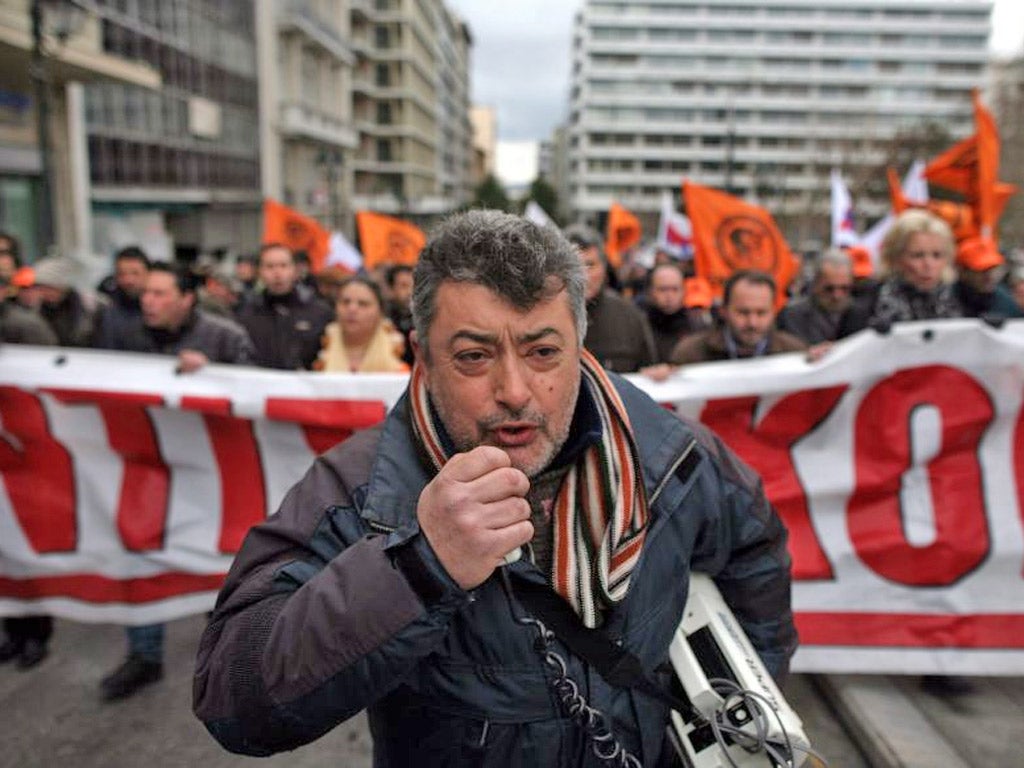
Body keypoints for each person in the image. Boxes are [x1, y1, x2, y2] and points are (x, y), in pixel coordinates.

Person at [193, 210, 797, 766]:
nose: (514, 389)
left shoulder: (669, 453)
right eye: (475, 356)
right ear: (422, 359)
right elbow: (233, 697)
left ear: (579, 350)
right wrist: (417, 568)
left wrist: (741, 704)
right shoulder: (361, 488)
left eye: (542, 352)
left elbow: (755, 552)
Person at [96, 262, 253, 701]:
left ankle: (227, 657)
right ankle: (143, 655)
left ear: (187, 299)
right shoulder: (126, 339)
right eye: (146, 293)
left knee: (218, 562)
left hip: (210, 473)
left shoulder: (224, 337)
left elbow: (259, 395)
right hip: (148, 468)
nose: (149, 300)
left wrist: (214, 374)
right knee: (139, 553)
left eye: (161, 293)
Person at [0, 263, 57, 670]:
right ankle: (13, 631)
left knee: (27, 543)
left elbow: (51, 383)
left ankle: (37, 631)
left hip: (25, 452)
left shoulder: (26, 327)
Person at [564, 224, 658, 372]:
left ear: (604, 267)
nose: (583, 275)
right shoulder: (540, 315)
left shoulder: (630, 316)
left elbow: (648, 371)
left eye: (590, 265)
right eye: (574, 265)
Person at [671, 270, 807, 364]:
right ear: (723, 310)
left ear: (773, 311)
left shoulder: (795, 353)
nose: (752, 323)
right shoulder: (690, 354)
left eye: (761, 313)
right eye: (743, 312)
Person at [236, 243, 333, 370]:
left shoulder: (319, 312)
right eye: (270, 267)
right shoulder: (245, 314)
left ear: (294, 270)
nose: (277, 273)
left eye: (283, 265)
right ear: (259, 272)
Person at [869, 209, 962, 327]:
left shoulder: (962, 301)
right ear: (895, 257)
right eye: (917, 255)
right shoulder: (871, 304)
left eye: (937, 255)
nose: (928, 265)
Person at [776, 249, 870, 344]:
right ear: (815, 283)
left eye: (844, 288)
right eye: (829, 289)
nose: (837, 296)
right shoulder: (792, 316)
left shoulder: (864, 316)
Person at [316, 276, 407, 373]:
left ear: (381, 312)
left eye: (363, 304)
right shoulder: (317, 343)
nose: (352, 309)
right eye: (345, 302)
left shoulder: (403, 349)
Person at [18, 256, 99, 347]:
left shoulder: (90, 308)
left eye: (48, 287)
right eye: (40, 287)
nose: (43, 292)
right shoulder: (34, 310)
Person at [641, 262, 710, 363]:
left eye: (675, 289)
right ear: (650, 292)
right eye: (662, 289)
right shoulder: (640, 326)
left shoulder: (698, 326)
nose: (669, 296)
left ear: (683, 291)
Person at [93, 246, 151, 349]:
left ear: (148, 273)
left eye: (135, 273)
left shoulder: (161, 308)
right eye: (122, 274)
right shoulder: (107, 309)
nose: (129, 280)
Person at [953, 236, 1023, 320]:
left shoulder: (1007, 304)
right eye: (981, 270)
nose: (989, 275)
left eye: (992, 268)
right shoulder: (943, 300)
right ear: (962, 270)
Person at [385, 264, 416, 365]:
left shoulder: (425, 318)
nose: (410, 292)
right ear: (390, 290)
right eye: (404, 286)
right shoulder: (383, 317)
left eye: (414, 286)